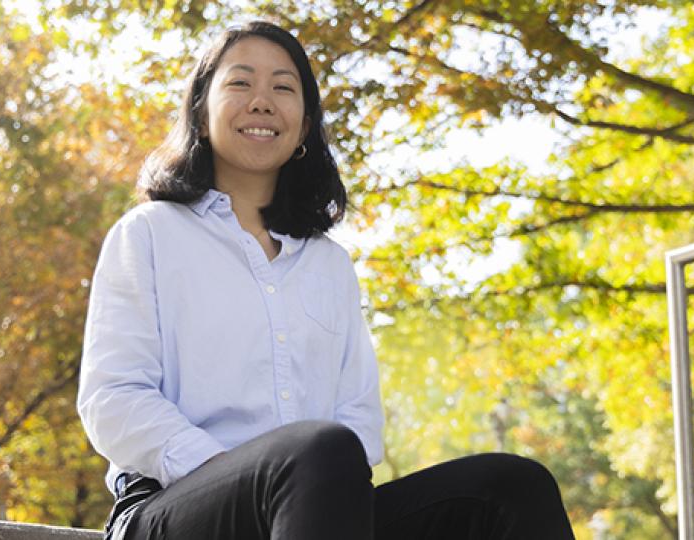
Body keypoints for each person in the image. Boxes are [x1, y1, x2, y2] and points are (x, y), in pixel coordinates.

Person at [77, 20, 576, 540]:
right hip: (172, 508)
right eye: (241, 82)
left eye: (283, 88)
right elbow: (113, 399)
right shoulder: (150, 234)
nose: (262, 102)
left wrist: (304, 484)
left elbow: (359, 417)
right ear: (201, 115)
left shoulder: (329, 265)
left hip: (320, 505)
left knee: (512, 486)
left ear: (304, 129)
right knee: (316, 451)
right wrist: (242, 476)